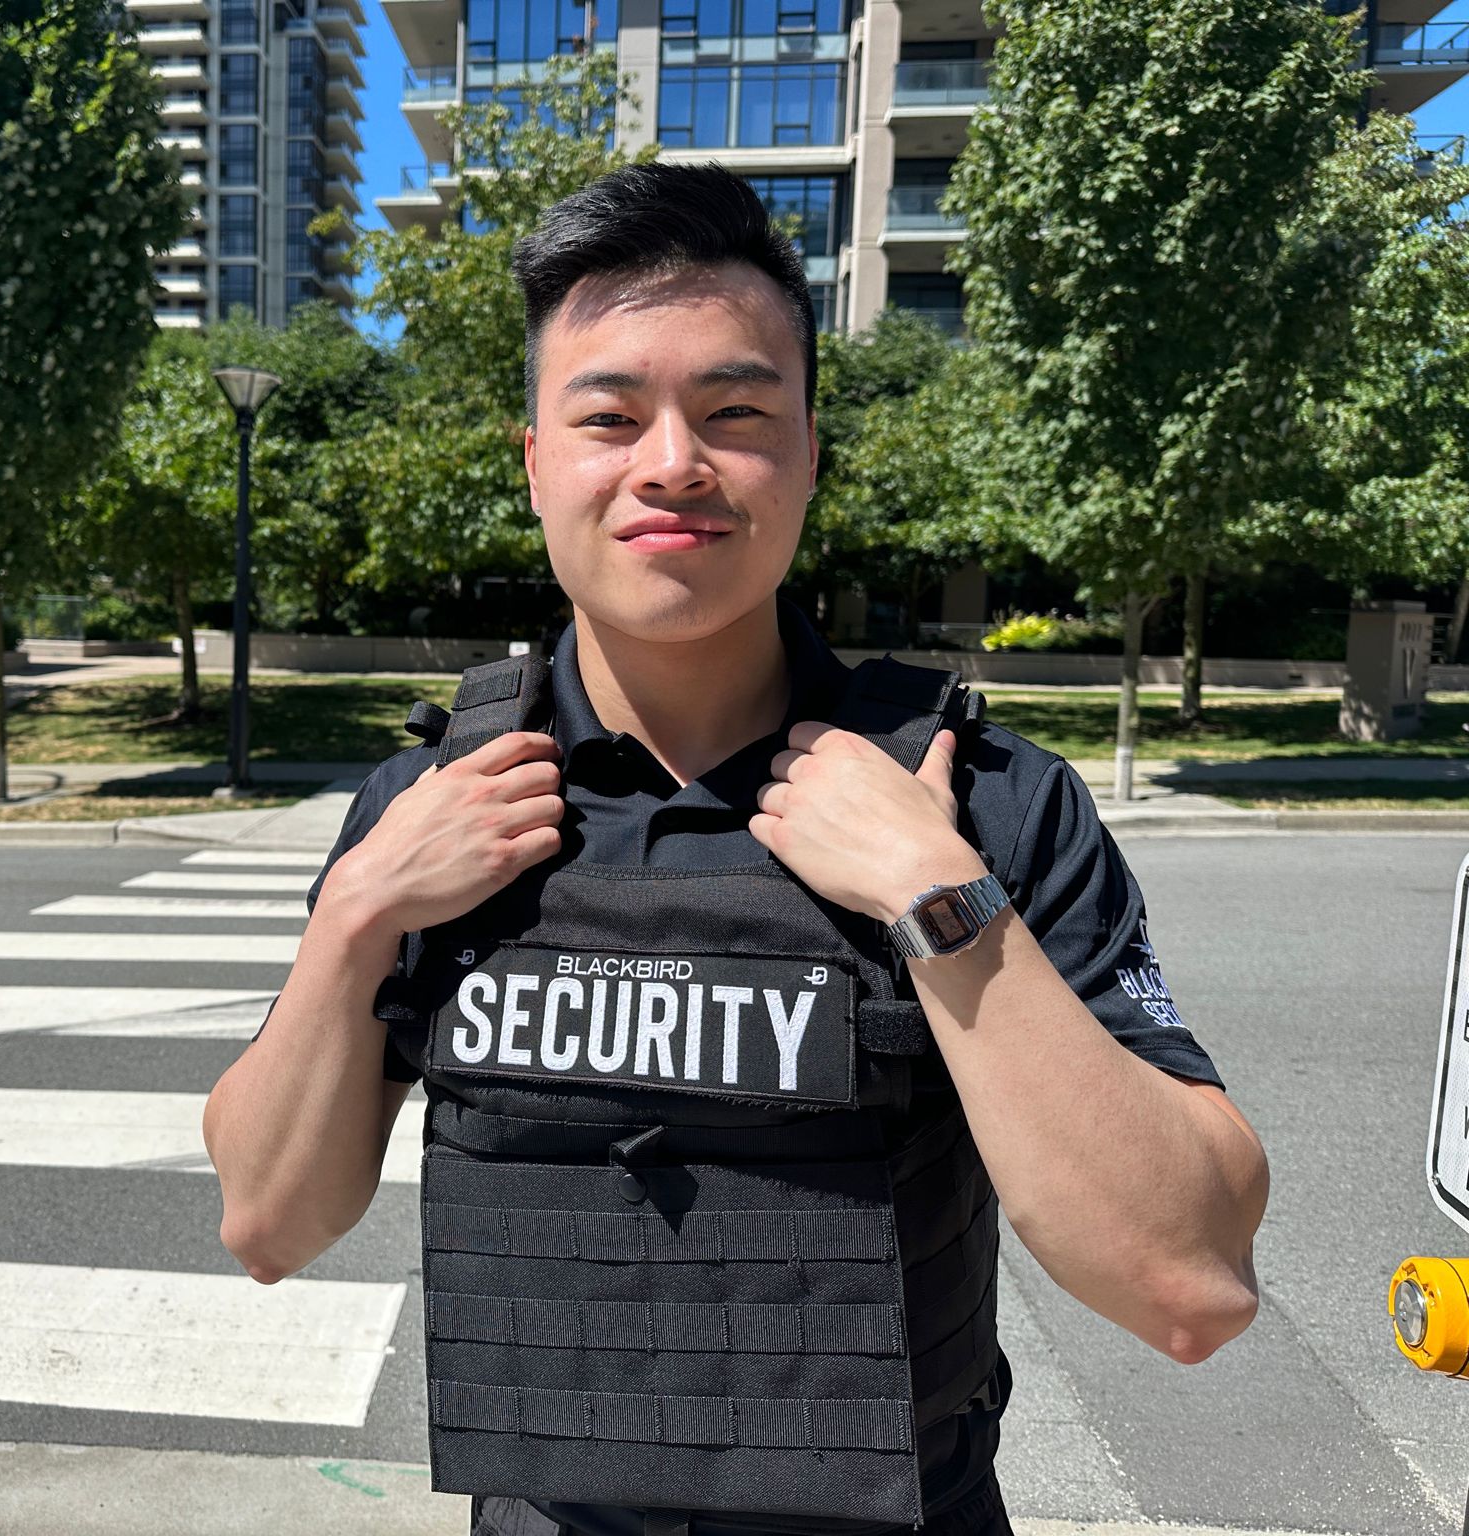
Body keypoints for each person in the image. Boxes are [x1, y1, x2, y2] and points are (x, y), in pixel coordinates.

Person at [201, 162, 1268, 1536]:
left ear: (809, 454)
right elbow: (270, 1225)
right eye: (609, 416)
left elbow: (1189, 1286)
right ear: (536, 466)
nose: (672, 464)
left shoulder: (975, 801)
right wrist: (357, 917)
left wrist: (944, 903)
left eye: (735, 411)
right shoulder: (436, 804)